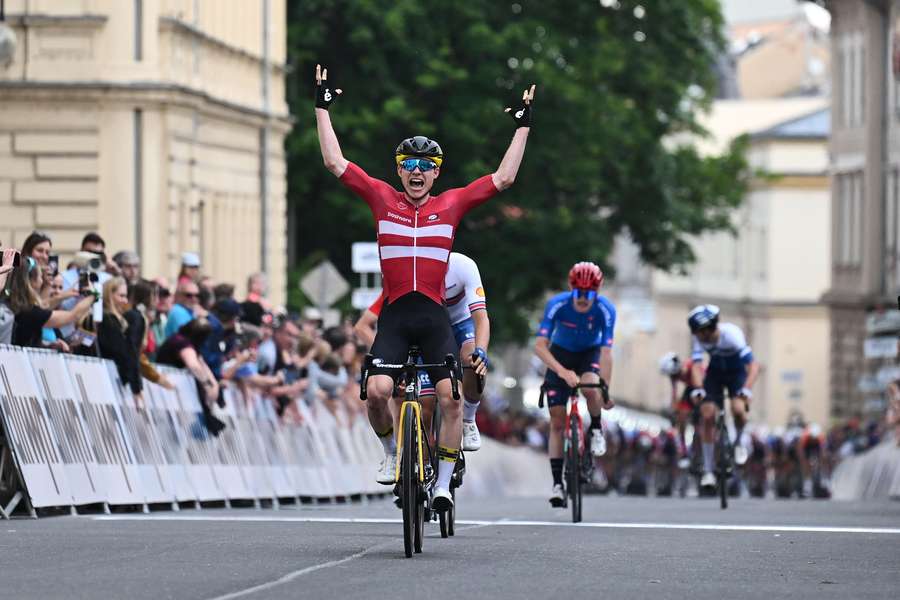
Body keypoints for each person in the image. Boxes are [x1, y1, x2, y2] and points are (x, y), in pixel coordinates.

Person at [315, 62, 534, 511]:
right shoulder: (381, 199)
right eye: (408, 164)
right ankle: (392, 454)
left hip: (433, 317)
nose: (417, 171)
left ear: (436, 173)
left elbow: (503, 179)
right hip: (397, 314)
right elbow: (335, 162)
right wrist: (322, 107)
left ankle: (442, 486)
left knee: (453, 397)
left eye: (426, 165)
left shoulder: (451, 204)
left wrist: (522, 126)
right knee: (377, 393)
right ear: (399, 171)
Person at [355, 252, 490, 452]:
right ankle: (420, 466)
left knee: (470, 356)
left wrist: (481, 350)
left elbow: (481, 317)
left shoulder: (463, 265)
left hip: (459, 323)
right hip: (426, 330)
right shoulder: (408, 273)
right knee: (425, 408)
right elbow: (362, 325)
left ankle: (469, 419)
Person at [534, 261, 616, 507]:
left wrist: (605, 388)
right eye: (578, 293)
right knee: (557, 421)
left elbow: (606, 353)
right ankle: (558, 484)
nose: (583, 299)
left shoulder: (606, 310)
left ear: (597, 292)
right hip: (560, 355)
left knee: (591, 388)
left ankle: (597, 429)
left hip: (589, 354)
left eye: (589, 293)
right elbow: (539, 346)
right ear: (572, 289)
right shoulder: (557, 304)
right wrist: (562, 371)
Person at [687, 304, 760, 491]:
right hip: (715, 374)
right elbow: (696, 366)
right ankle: (709, 470)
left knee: (738, 410)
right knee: (708, 415)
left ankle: (738, 443)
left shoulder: (732, 335)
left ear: (712, 327)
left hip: (736, 374)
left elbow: (753, 366)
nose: (701, 337)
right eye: (697, 332)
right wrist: (698, 389)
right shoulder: (698, 338)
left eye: (704, 332)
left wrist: (747, 389)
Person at [156, 318, 225, 435]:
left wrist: (214, 385)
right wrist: (208, 385)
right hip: (164, 391)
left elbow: (202, 364)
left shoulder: (186, 342)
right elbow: (194, 366)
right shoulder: (183, 343)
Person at [8, 257, 95, 348]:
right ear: (32, 281)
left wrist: (48, 346)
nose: (42, 281)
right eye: (40, 277)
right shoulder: (29, 310)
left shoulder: (16, 305)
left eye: (60, 287)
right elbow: (73, 316)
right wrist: (93, 295)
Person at [97, 277, 144, 407]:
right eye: (121, 296)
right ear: (109, 295)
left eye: (126, 296)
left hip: (113, 381)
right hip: (106, 383)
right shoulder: (108, 320)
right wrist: (136, 387)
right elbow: (124, 353)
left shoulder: (117, 320)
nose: (125, 301)